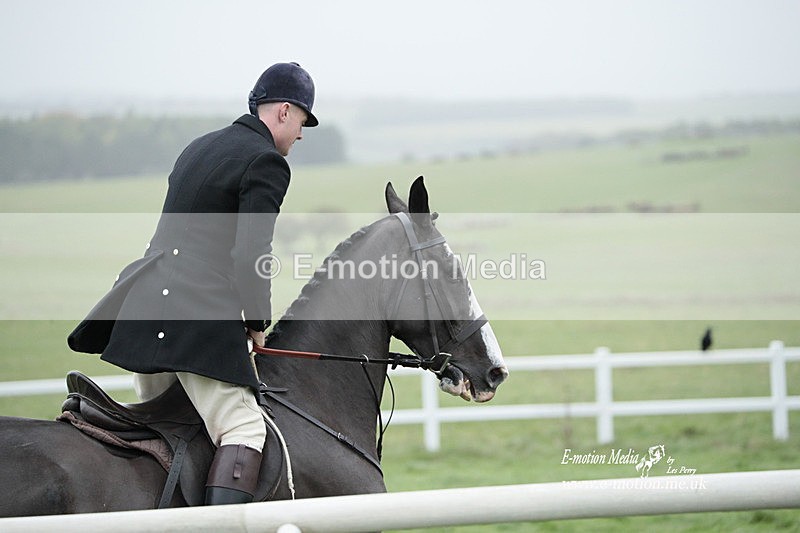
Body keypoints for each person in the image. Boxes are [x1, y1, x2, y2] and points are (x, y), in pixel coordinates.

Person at [67, 62, 318, 505]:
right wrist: (258, 320)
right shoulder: (267, 162)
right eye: (301, 121)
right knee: (242, 427)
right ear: (283, 112)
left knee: (164, 427)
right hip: (195, 313)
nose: (301, 134)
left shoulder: (198, 147)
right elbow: (252, 252)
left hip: (145, 307)